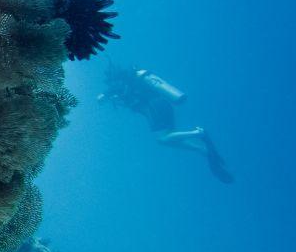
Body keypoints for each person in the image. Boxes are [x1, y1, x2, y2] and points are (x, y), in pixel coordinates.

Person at [99, 64, 233, 183]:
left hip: (154, 107)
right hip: (162, 104)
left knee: (163, 139)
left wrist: (104, 95)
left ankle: (198, 133)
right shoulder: (131, 80)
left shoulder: (123, 82)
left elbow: (108, 94)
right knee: (170, 138)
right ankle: (202, 150)